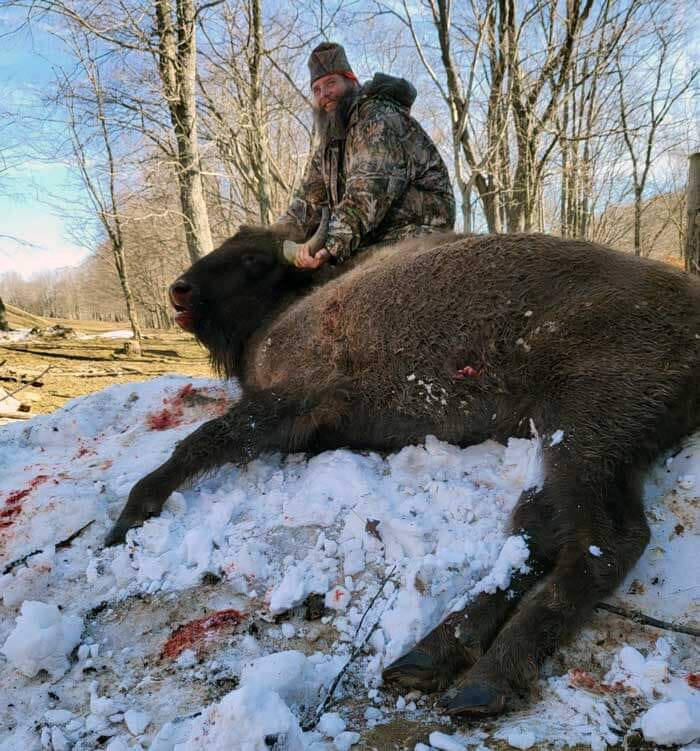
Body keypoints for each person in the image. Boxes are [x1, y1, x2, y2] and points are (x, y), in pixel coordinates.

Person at [276, 42, 456, 269]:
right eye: (317, 90)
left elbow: (365, 196)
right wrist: (270, 238)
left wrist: (328, 248)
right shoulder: (329, 146)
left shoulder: (376, 120)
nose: (324, 95)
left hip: (417, 230)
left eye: (331, 83)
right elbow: (309, 201)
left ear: (350, 80)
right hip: (375, 237)